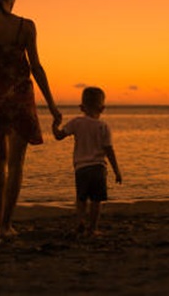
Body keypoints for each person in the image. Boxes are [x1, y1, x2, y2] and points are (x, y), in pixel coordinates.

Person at [0, 0, 62, 238]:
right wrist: (52, 106)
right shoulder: (26, 26)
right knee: (16, 164)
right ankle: (6, 225)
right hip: (20, 100)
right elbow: (37, 67)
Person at [52, 86, 122, 236]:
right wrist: (117, 171)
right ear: (102, 108)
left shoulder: (76, 122)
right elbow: (109, 150)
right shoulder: (103, 126)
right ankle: (93, 228)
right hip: (98, 168)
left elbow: (58, 136)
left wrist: (55, 125)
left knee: (81, 199)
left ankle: (80, 222)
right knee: (96, 200)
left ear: (82, 107)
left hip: (81, 168)